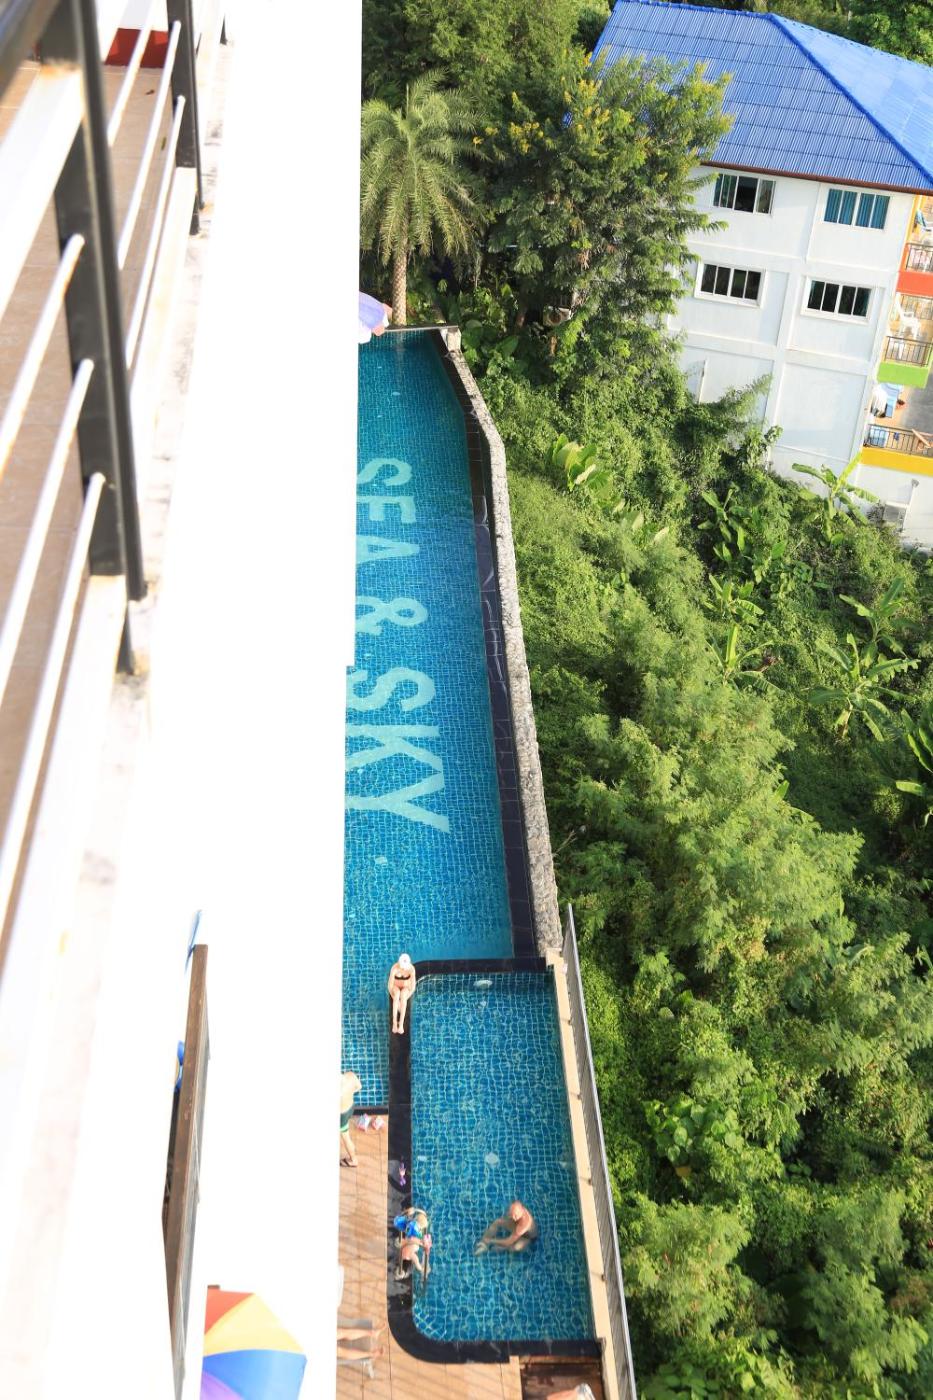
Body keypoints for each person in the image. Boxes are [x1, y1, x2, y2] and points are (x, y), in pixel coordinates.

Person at [387, 953, 416, 1034]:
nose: (403, 969)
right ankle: (394, 1023)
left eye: (404, 968)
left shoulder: (411, 970)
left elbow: (413, 987)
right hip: (395, 987)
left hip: (406, 987)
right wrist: (395, 998)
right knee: (397, 994)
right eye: (402, 967)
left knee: (403, 996)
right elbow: (390, 986)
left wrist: (404, 999)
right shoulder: (394, 968)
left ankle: (401, 1024)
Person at [339, 1070, 362, 1167]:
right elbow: (359, 1087)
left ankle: (353, 1160)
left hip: (342, 1117)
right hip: (350, 1108)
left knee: (346, 1138)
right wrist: (350, 1091)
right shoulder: (350, 1076)